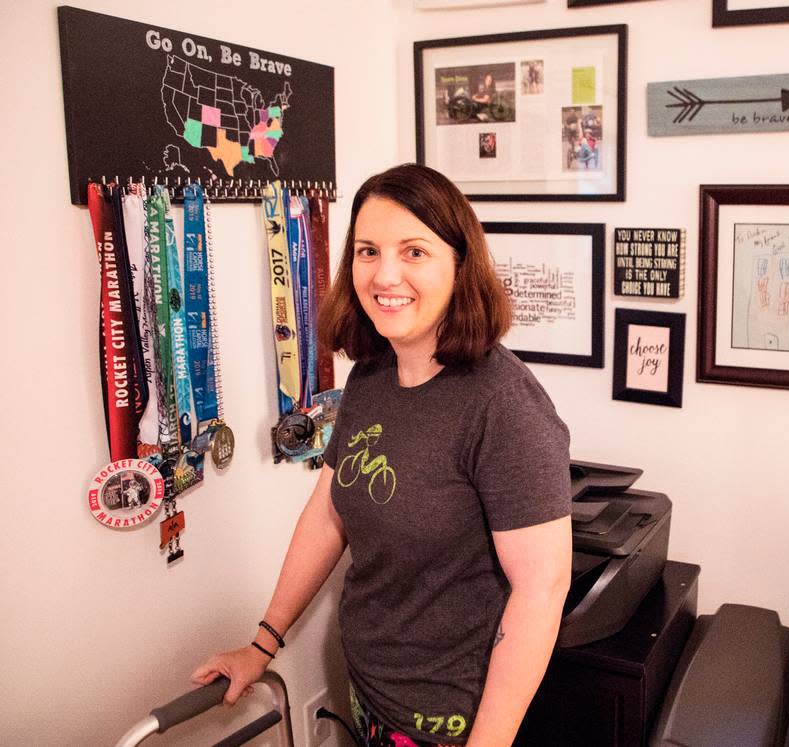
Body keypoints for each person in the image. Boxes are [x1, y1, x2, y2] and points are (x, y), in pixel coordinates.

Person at [192, 164, 573, 747]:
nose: (384, 273)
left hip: (453, 722)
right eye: (368, 251)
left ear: (459, 264)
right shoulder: (371, 375)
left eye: (414, 251)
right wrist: (261, 644)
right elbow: (330, 513)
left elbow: (541, 591)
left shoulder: (504, 405)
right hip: (370, 692)